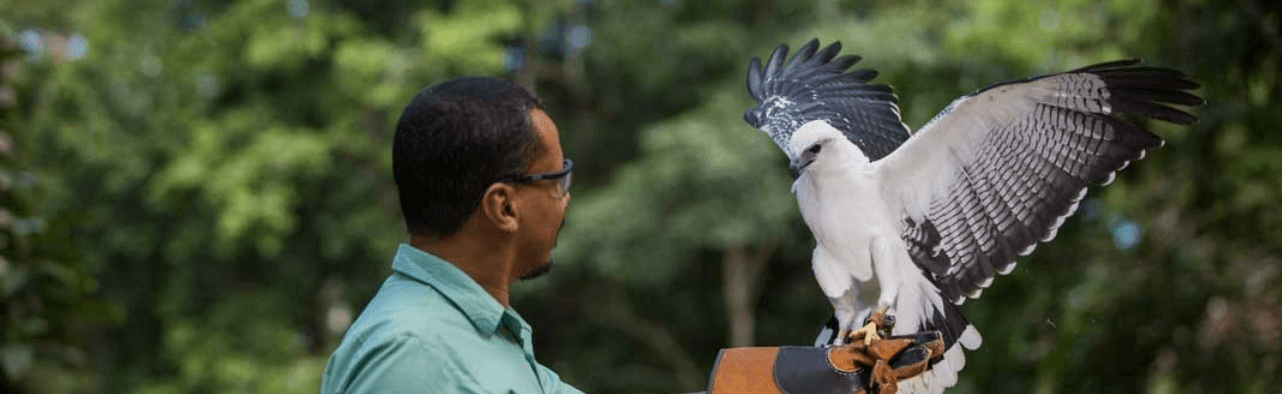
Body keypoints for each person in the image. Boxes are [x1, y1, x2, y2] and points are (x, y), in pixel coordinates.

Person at [319, 77, 943, 394]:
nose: (567, 197)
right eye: (557, 178)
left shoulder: (484, 337)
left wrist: (791, 383)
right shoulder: (412, 355)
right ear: (503, 206)